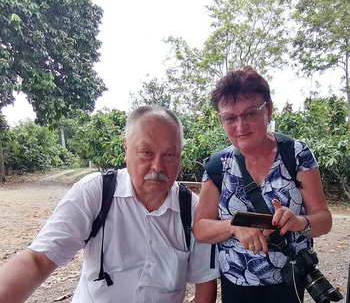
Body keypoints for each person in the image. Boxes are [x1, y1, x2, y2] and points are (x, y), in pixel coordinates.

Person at [0, 106, 218, 303]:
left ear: (180, 154)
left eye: (169, 154)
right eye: (146, 153)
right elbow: (38, 259)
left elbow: (205, 281)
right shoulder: (96, 192)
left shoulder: (192, 211)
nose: (157, 166)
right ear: (126, 147)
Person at [193, 66, 333, 303]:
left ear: (268, 109)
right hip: (237, 285)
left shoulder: (296, 155)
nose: (240, 126)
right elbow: (200, 229)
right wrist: (234, 227)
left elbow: (324, 220)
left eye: (250, 114)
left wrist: (300, 222)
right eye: (230, 118)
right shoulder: (218, 166)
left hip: (288, 282)